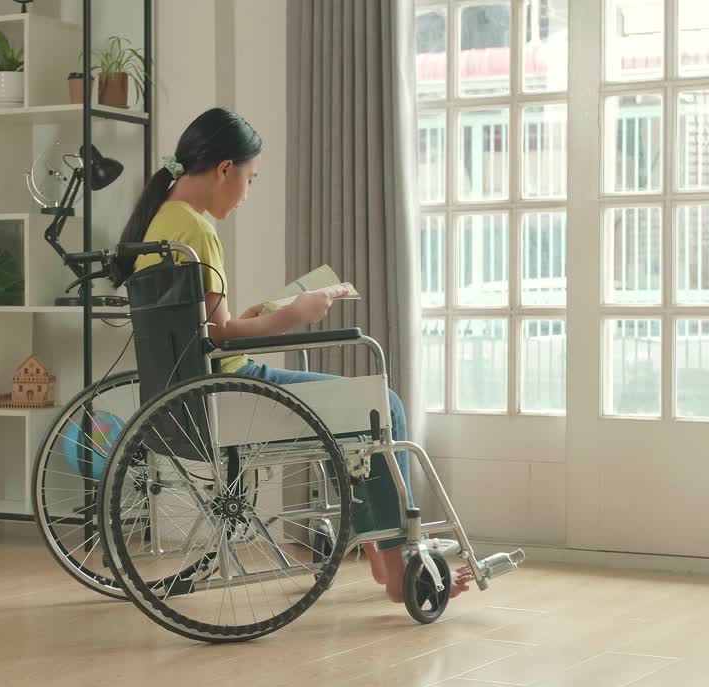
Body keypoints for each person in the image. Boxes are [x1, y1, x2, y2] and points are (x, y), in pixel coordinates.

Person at [121, 107, 469, 602]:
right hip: (231, 393)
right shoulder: (197, 231)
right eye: (250, 178)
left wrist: (261, 313)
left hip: (189, 391)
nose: (247, 193)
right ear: (224, 169)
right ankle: (397, 563)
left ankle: (380, 550)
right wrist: (296, 314)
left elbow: (205, 331)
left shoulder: (161, 219)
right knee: (380, 407)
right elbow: (221, 337)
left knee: (351, 419)